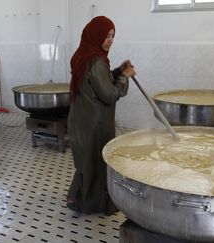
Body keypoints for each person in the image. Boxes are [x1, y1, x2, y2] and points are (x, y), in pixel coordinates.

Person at [66, 16, 136, 215]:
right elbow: (110, 94)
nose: (110, 40)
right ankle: (91, 204)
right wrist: (124, 77)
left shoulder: (84, 55)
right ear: (96, 35)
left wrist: (116, 71)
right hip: (95, 125)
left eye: (113, 36)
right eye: (107, 36)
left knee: (87, 164)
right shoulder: (96, 61)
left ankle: (78, 199)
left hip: (81, 121)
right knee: (97, 163)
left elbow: (97, 81)